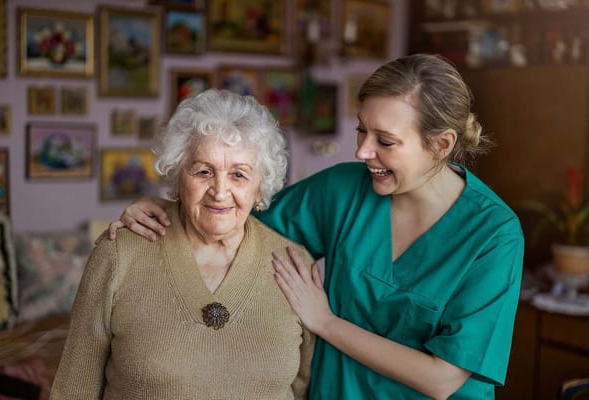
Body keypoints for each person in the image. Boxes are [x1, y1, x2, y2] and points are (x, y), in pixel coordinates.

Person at [108, 54, 524, 400]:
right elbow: (238, 222)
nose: (362, 150)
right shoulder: (342, 190)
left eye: (385, 140)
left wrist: (325, 322)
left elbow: (443, 379)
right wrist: (169, 204)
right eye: (362, 129)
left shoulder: (494, 235)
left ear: (442, 144)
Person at [50, 89, 315, 400]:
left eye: (239, 175)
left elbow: (306, 387)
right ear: (177, 176)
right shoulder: (120, 254)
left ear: (261, 188)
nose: (219, 190)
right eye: (203, 171)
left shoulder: (295, 264)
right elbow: (73, 389)